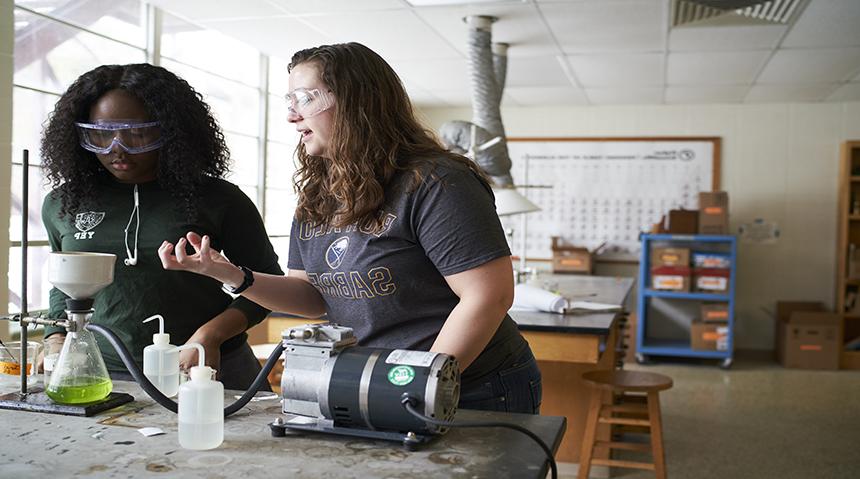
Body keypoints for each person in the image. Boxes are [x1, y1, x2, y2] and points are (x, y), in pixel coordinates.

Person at [158, 43, 542, 413]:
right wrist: (229, 274)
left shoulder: (436, 182)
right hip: (378, 381)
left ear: (358, 103)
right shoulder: (318, 195)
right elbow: (312, 297)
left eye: (305, 100)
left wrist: (416, 384)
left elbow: (486, 297)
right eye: (290, 102)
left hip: (472, 386)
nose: (292, 116)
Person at [41, 63, 283, 390]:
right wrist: (56, 337)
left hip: (208, 367)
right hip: (103, 373)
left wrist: (210, 335)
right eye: (101, 134)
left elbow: (266, 286)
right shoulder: (63, 204)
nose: (117, 148)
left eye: (136, 133)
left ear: (170, 131)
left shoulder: (219, 199)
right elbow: (64, 283)